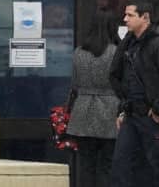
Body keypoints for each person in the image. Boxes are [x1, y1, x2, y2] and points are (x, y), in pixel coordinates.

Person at [109, 0, 159, 187]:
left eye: (130, 15)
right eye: (125, 14)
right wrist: (123, 108)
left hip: (152, 116)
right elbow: (123, 79)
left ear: (145, 17)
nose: (125, 19)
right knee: (121, 165)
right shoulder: (129, 43)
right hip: (131, 114)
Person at [67, 11, 121, 187]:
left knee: (86, 166)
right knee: (107, 165)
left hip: (83, 110)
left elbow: (75, 84)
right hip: (110, 110)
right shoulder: (117, 52)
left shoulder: (79, 52)